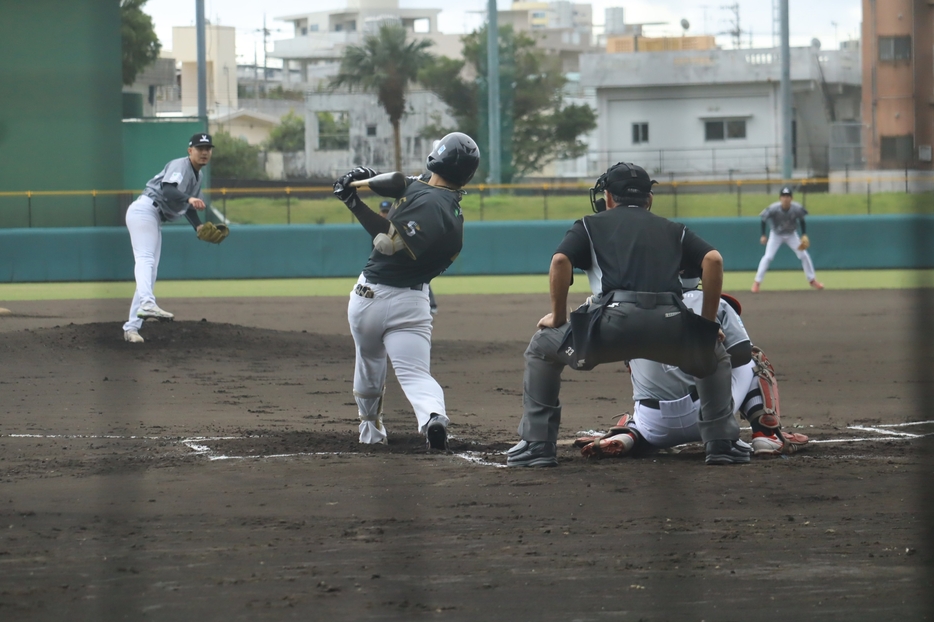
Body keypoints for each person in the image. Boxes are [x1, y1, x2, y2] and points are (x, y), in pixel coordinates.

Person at [507, 162, 750, 468]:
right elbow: (713, 260)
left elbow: (559, 262)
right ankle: (722, 444)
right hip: (669, 326)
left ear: (608, 196)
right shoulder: (674, 229)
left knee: (542, 349)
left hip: (611, 328)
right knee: (714, 355)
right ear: (649, 199)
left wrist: (558, 316)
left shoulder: (588, 224)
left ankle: (537, 445)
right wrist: (707, 324)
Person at [332, 132, 480, 449]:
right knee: (415, 374)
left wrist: (352, 200)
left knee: (369, 361)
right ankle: (432, 417)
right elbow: (405, 182)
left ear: (437, 156)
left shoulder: (430, 202)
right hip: (413, 303)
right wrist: (367, 179)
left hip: (370, 297)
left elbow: (389, 242)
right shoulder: (449, 206)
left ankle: (370, 431)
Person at [576, 272, 809, 458]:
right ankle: (767, 433)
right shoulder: (713, 302)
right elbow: (740, 355)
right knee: (754, 357)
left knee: (646, 383)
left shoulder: (634, 307)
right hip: (707, 418)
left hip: (654, 426)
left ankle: (631, 434)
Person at [122, 133, 229, 344]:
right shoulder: (181, 165)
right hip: (145, 210)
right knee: (145, 259)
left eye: (208, 148)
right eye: (200, 148)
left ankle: (132, 328)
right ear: (190, 151)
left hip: (154, 216)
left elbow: (185, 206)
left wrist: (198, 226)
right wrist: (189, 198)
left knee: (150, 272)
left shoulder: (198, 176)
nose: (204, 152)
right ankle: (146, 303)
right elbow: (169, 191)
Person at [751, 186, 823, 293]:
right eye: (784, 196)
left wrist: (804, 234)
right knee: (768, 257)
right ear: (780, 198)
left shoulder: (796, 208)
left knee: (803, 255)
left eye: (788, 196)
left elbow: (802, 219)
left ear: (791, 198)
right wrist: (763, 235)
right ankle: (757, 282)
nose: (786, 198)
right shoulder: (774, 208)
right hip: (776, 235)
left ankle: (812, 280)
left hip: (791, 235)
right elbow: (763, 218)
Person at [380, 200, 438, 315]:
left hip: (409, 258)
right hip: (390, 262)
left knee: (421, 280)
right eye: (384, 212)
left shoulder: (399, 223)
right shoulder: (379, 228)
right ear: (380, 213)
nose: (385, 214)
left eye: (387, 211)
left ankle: (431, 305)